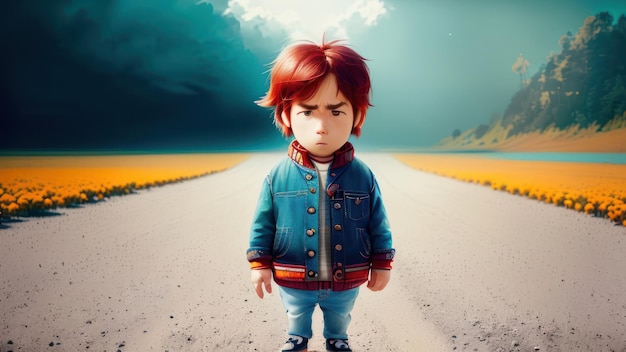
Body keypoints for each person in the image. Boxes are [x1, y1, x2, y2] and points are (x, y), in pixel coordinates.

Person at [247, 38, 395, 352]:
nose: (321, 127)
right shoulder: (277, 176)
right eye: (308, 112)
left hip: (347, 275)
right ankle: (297, 336)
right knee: (296, 310)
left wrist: (382, 262)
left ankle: (337, 339)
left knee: (340, 312)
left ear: (356, 115)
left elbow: (378, 222)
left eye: (336, 112)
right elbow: (263, 224)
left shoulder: (363, 175)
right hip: (294, 273)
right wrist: (259, 264)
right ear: (286, 115)